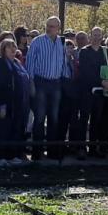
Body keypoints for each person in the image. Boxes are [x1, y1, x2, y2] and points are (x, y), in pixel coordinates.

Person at [25, 16, 65, 161]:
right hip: (40, 82)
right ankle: (37, 152)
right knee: (40, 118)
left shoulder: (62, 42)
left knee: (54, 118)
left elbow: (63, 64)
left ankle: (53, 152)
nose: (49, 28)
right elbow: (29, 64)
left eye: (53, 26)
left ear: (58, 28)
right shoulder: (38, 41)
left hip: (56, 83)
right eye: (48, 25)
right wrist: (31, 84)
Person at [0, 37, 32, 166]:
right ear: (3, 50)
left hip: (19, 104)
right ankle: (0, 157)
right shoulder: (1, 64)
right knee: (3, 130)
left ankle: (12, 156)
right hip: (6, 104)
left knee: (15, 130)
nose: (13, 49)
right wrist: (1, 106)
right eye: (9, 46)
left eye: (14, 46)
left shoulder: (17, 63)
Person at [71, 28, 106, 159]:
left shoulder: (105, 52)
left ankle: (93, 148)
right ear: (90, 36)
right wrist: (101, 81)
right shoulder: (85, 52)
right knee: (84, 119)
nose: (96, 37)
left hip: (100, 92)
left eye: (99, 35)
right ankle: (81, 148)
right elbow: (86, 72)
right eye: (94, 35)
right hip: (86, 91)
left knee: (96, 121)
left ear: (102, 37)